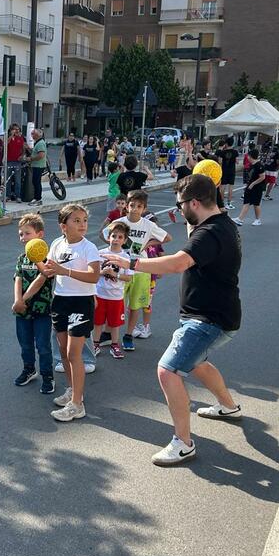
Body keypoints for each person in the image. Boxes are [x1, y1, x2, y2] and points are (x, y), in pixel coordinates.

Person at [104, 174, 242, 465]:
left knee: (168, 371)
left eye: (181, 204)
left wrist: (131, 262)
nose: (178, 210)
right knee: (197, 362)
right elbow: (192, 230)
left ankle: (183, 443)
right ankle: (228, 406)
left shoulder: (210, 233)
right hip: (214, 315)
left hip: (207, 319)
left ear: (195, 203)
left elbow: (178, 263)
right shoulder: (221, 223)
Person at [39, 204, 101, 422]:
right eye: (76, 220)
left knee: (74, 354)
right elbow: (48, 271)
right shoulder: (57, 244)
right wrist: (35, 256)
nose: (82, 224)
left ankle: (77, 404)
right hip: (60, 301)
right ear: (63, 226)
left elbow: (94, 276)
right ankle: (73, 391)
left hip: (81, 302)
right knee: (64, 353)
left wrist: (64, 270)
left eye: (84, 220)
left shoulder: (89, 247)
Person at [109, 189, 171, 350]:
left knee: (135, 305)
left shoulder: (148, 225)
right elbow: (105, 234)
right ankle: (110, 334)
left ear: (144, 208)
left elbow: (167, 237)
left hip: (141, 269)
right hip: (120, 269)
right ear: (127, 206)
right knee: (115, 303)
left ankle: (128, 335)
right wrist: (116, 248)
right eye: (132, 205)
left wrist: (148, 243)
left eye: (139, 206)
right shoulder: (120, 222)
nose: (135, 209)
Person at [12, 213, 55, 394]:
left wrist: (24, 299)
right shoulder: (22, 258)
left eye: (27, 233)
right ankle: (29, 369)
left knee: (43, 346)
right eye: (21, 234)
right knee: (25, 344)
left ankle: (47, 376)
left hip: (41, 310)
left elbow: (41, 278)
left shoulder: (48, 258)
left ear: (40, 234)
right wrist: (17, 300)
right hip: (22, 310)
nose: (23, 237)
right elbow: (18, 279)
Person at [93, 221, 132, 359]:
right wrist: (102, 272)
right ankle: (95, 344)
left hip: (116, 296)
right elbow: (93, 273)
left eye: (120, 237)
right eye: (114, 236)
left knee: (114, 323)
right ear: (108, 237)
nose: (116, 239)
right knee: (98, 322)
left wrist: (115, 274)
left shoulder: (126, 257)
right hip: (100, 294)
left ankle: (115, 345)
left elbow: (129, 278)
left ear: (125, 240)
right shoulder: (100, 254)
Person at [234, 148, 266, 226]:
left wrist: (253, 184)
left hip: (257, 187)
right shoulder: (252, 165)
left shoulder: (259, 165)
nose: (247, 157)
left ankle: (258, 220)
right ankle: (240, 219)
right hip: (250, 186)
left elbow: (262, 177)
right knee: (247, 201)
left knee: (256, 204)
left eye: (248, 156)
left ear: (251, 156)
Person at [27, 127, 48, 205]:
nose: (32, 136)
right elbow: (36, 152)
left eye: (33, 134)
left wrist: (31, 158)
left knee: (36, 182)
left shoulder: (40, 143)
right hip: (36, 165)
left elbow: (41, 155)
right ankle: (36, 198)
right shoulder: (38, 143)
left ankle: (38, 199)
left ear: (37, 135)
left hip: (39, 166)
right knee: (35, 181)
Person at [6, 124, 25, 201]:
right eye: (15, 129)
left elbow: (23, 149)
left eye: (18, 129)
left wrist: (22, 155)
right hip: (9, 161)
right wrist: (11, 135)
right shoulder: (9, 138)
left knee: (17, 180)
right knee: (8, 179)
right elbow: (6, 144)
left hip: (17, 162)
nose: (16, 131)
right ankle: (7, 195)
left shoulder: (21, 138)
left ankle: (18, 196)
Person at [218, 137, 239, 209]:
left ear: (226, 143)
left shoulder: (222, 152)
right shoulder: (235, 152)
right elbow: (237, 161)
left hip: (224, 170)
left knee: (222, 187)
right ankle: (229, 203)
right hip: (232, 171)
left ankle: (221, 203)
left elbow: (220, 161)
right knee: (231, 187)